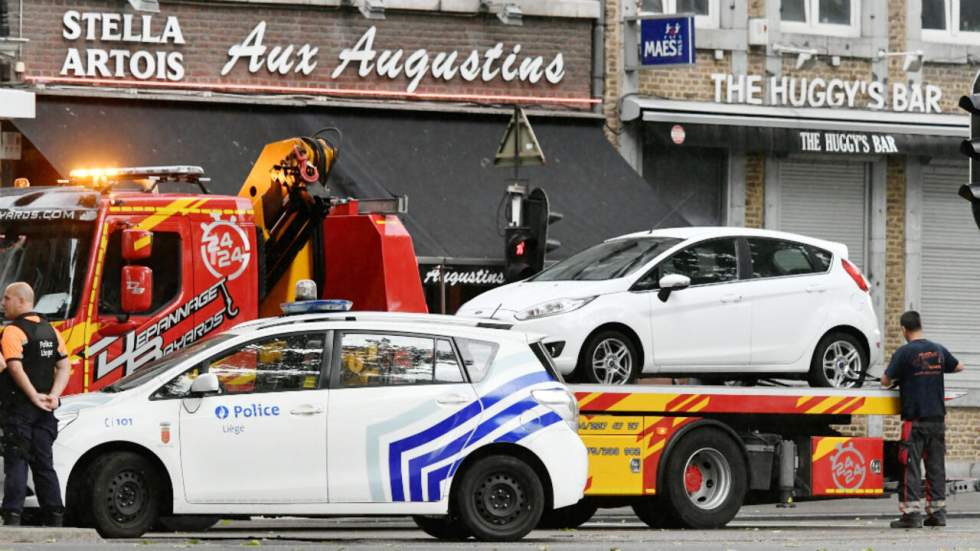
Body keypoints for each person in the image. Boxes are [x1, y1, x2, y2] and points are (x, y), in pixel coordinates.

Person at [881, 310, 964, 529]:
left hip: (915, 421)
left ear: (903, 329)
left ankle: (911, 515)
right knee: (936, 467)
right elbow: (958, 366)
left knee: (911, 467)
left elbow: (885, 380)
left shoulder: (905, 352)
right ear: (920, 326)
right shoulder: (937, 349)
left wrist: (904, 375)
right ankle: (937, 514)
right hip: (937, 419)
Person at [0, 282, 70, 527]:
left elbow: (13, 366)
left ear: (21, 301)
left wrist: (32, 395)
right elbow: (64, 365)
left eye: (6, 298)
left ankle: (12, 515)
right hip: (46, 411)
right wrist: (53, 395)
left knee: (17, 461)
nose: (2, 303)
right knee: (44, 463)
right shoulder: (51, 331)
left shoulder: (13, 331)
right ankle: (55, 515)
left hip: (20, 409)